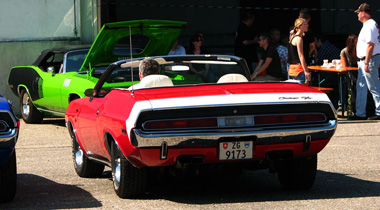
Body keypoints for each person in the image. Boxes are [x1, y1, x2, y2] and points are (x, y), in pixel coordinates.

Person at [349, 3, 380, 120]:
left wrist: (366, 62)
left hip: (369, 60)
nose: (357, 15)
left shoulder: (370, 25)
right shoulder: (369, 25)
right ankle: (360, 113)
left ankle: (379, 111)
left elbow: (371, 45)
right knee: (361, 86)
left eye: (358, 13)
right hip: (365, 60)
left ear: (363, 13)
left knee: (374, 87)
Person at [288, 18, 310, 84]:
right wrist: (306, 71)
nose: (307, 25)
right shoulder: (299, 39)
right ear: (299, 26)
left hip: (292, 69)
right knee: (302, 91)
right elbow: (301, 55)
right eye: (305, 24)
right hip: (299, 70)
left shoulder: (293, 37)